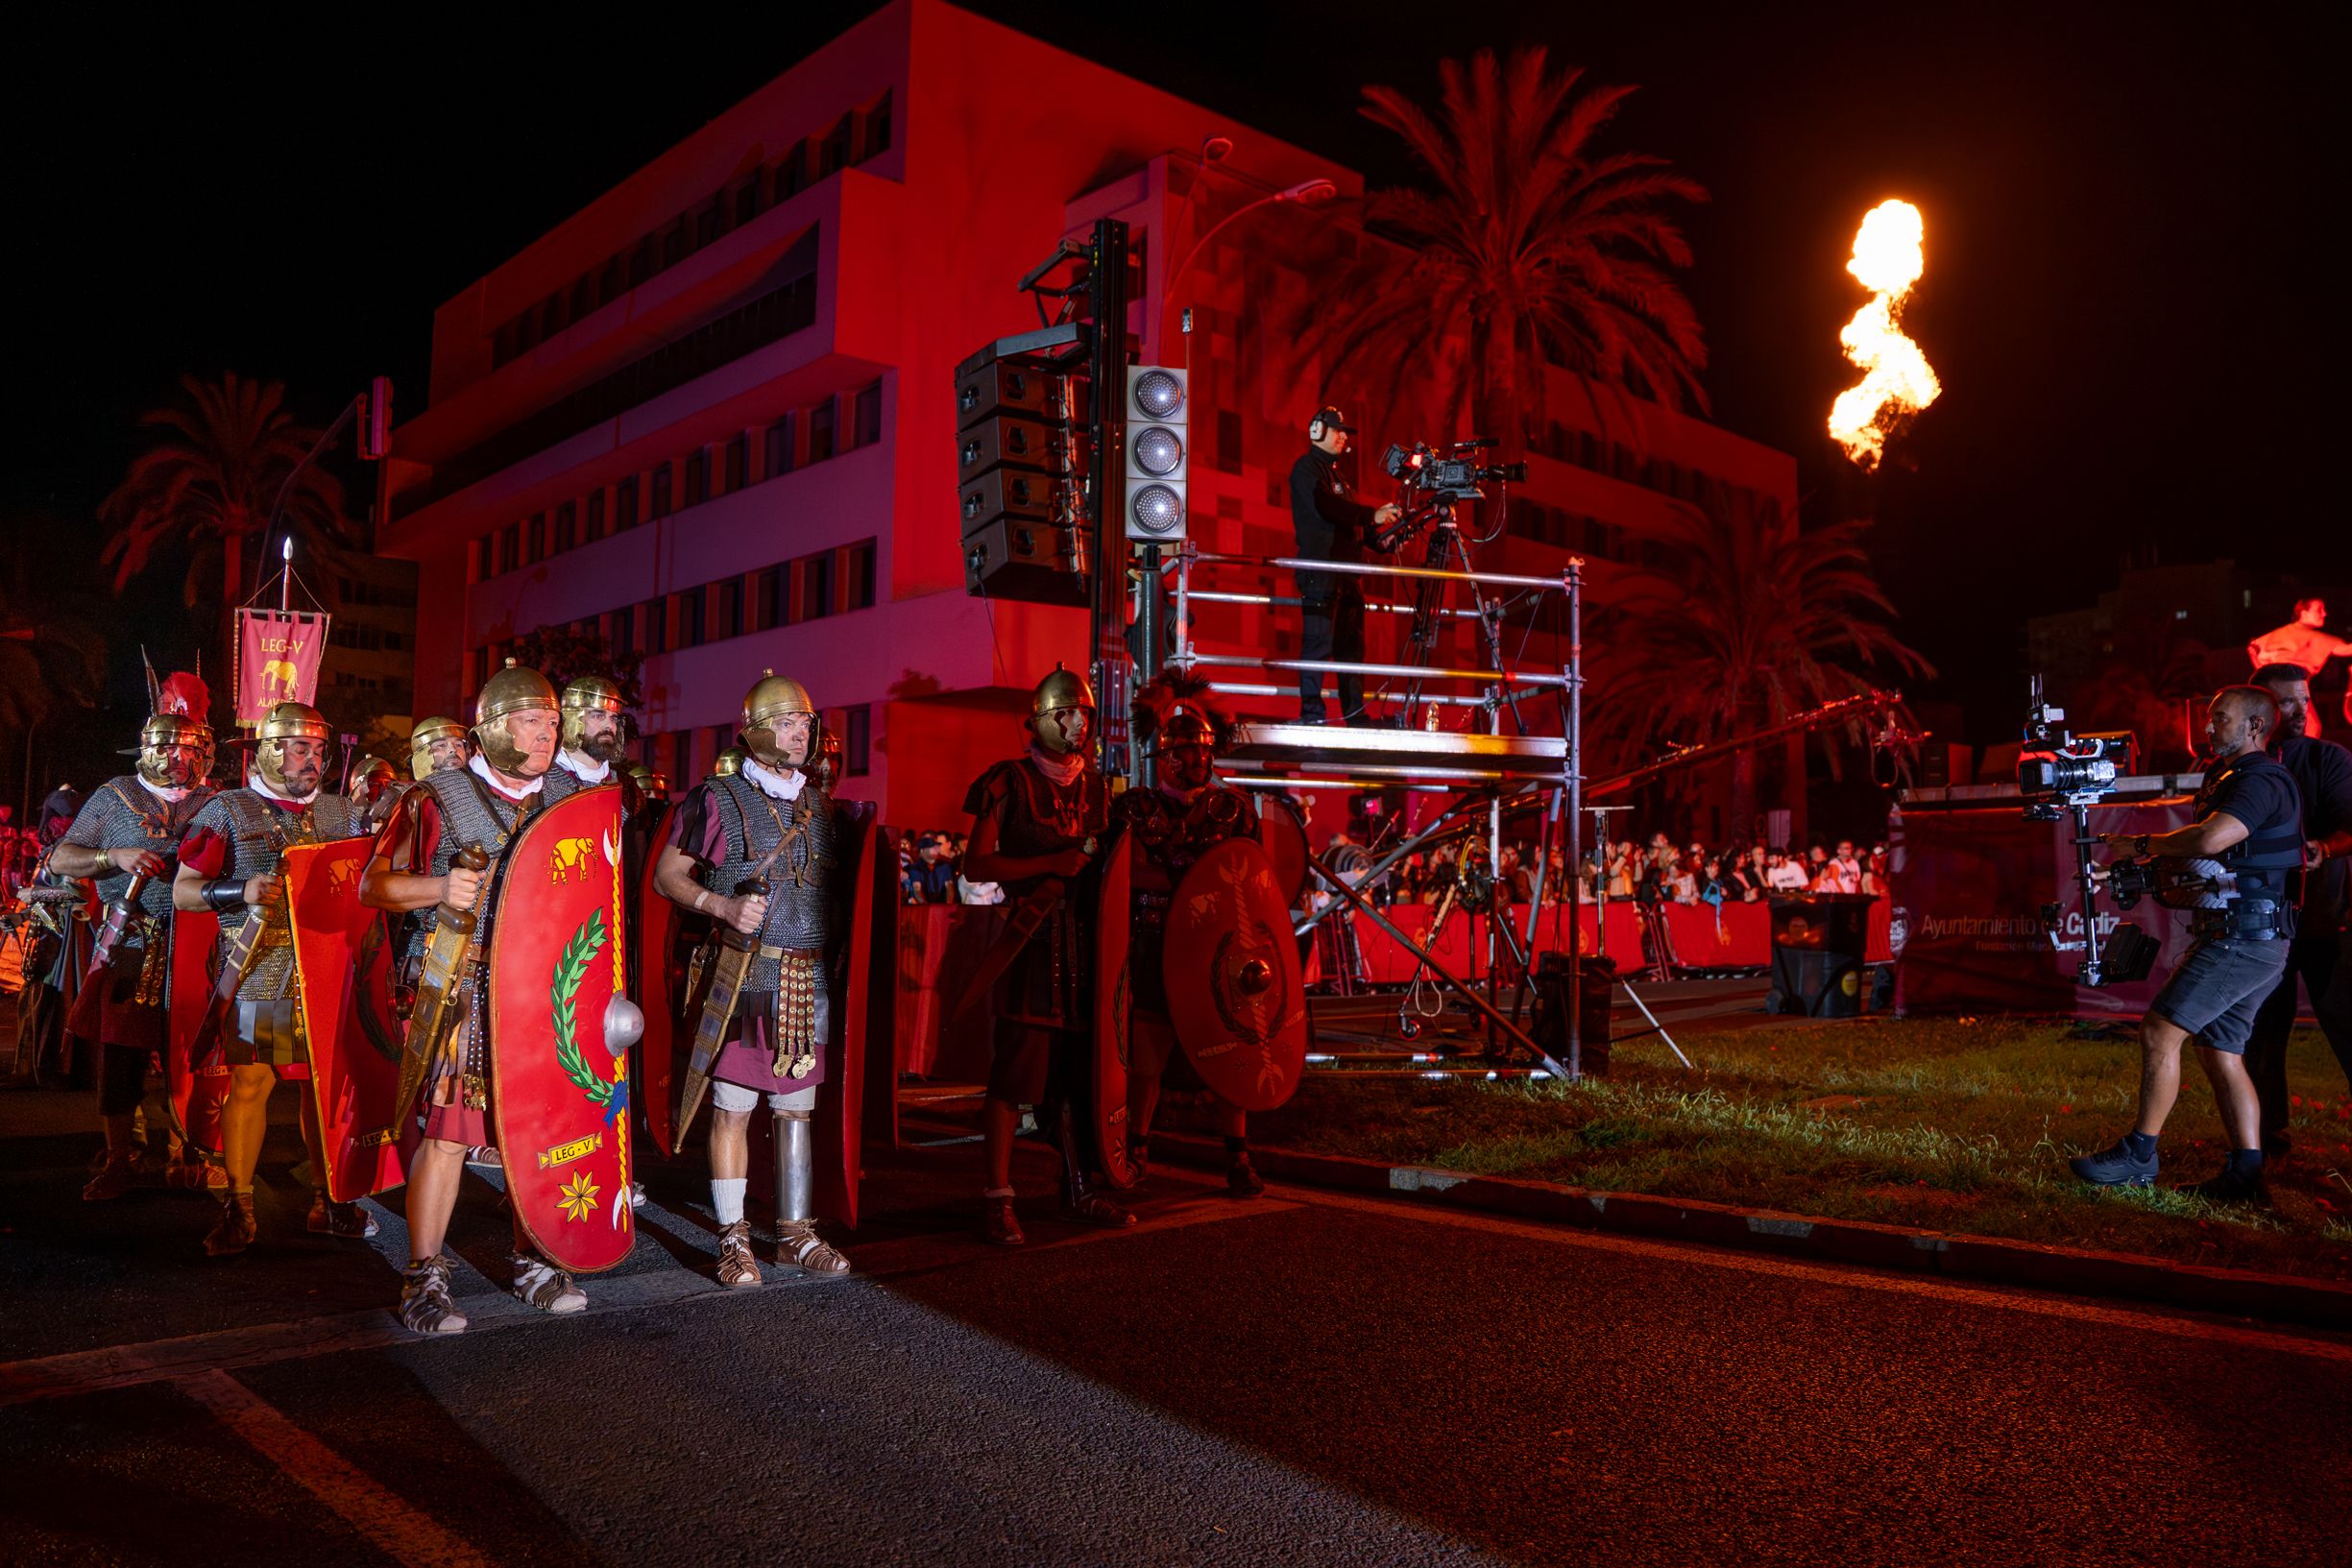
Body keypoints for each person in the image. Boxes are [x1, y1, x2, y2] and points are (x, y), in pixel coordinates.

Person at [361, 662, 588, 1331]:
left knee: (537, 1131)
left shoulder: (573, 794)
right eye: (530, 719)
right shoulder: (433, 798)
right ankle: (424, 1275)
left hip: (547, 989)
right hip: (463, 984)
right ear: (492, 725)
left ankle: (534, 1258)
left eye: (551, 721)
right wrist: (437, 889)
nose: (547, 732)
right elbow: (375, 885)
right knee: (450, 1134)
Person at [650, 670, 853, 1289]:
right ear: (759, 730)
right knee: (734, 1108)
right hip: (746, 972)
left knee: (797, 1109)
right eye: (790, 723)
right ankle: (733, 1238)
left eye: (806, 723)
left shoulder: (819, 805)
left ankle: (795, 1234)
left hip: (806, 977)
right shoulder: (718, 798)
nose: (803, 734)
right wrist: (721, 906)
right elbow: (667, 876)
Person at [2073, 686, 2305, 1200]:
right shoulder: (2231, 777)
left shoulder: (2261, 779)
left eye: (2219, 718)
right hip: (2252, 936)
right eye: (2209, 718)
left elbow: (2210, 840)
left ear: (2254, 727)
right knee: (2221, 1050)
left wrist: (2139, 843)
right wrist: (2123, 870)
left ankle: (2138, 1156)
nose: (2208, 727)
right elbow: (2213, 865)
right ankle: (2246, 1176)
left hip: (2242, 940)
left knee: (2159, 1031)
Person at [172, 701, 374, 1254]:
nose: (312, 759)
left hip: (328, 969)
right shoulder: (229, 810)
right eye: (299, 747)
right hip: (263, 969)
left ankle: (327, 1199)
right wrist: (240, 890)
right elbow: (183, 892)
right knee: (254, 1083)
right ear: (268, 748)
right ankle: (240, 1208)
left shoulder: (343, 815)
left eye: (318, 749)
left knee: (322, 1086)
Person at [959, 663, 1128, 1244]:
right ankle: (997, 1197)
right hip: (1029, 945)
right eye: (1065, 713)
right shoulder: (1006, 781)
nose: (1077, 723)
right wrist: (1047, 865)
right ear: (1040, 720)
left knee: (1078, 1078)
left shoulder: (1100, 788)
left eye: (1082, 713)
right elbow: (976, 865)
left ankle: (1078, 1185)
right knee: (1015, 1078)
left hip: (1087, 949)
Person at [46, 676, 215, 1200]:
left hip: (195, 946)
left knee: (195, 1056)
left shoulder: (218, 801)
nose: (175, 758)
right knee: (120, 1061)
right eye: (165, 747)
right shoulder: (114, 796)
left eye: (187, 748)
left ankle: (192, 1152)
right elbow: (59, 858)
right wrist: (110, 858)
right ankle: (120, 1157)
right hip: (130, 944)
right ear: (146, 749)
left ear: (203, 752)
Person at [1109, 671, 1265, 1197]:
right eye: (1186, 753)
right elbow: (1127, 873)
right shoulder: (1136, 808)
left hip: (1218, 948)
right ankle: (1137, 1147)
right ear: (1166, 757)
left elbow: (1251, 877)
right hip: (1154, 945)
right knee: (1148, 1057)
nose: (1198, 761)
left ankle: (1238, 1157)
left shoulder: (1235, 810)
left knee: (1229, 1046)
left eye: (1202, 752)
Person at [2241, 664, 2352, 1155]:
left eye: (2304, 700)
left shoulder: (2330, 759)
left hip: (2326, 922)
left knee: (2348, 1024)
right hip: (2263, 926)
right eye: (2287, 702)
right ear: (2261, 710)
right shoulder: (2238, 766)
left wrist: (2324, 848)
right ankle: (2266, 1137)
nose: (2301, 710)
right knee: (2262, 1034)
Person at [1288, 405, 1401, 727]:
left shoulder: (1340, 478)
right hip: (1321, 571)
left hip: (1347, 575)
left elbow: (1356, 525)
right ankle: (1312, 715)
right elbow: (1329, 508)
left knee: (1351, 648)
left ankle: (1355, 715)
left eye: (1344, 433)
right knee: (1318, 643)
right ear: (1318, 431)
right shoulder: (1306, 470)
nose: (1343, 437)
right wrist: (1371, 516)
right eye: (1338, 431)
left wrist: (1384, 540)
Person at [2247, 598, 2350, 736]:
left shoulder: (2282, 634)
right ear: (2304, 613)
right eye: (2319, 610)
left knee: (2293, 728)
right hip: (2288, 690)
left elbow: (2253, 649)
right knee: (2311, 727)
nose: (2324, 614)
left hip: (2270, 691)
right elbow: (2346, 649)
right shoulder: (2306, 635)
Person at [546, 675, 632, 803]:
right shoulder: (542, 783)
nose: (609, 725)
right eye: (598, 716)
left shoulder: (628, 789)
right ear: (572, 719)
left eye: (613, 718)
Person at [904, 831, 958, 904]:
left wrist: (948, 905)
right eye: (932, 847)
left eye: (937, 846)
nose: (937, 849)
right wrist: (927, 907)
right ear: (922, 850)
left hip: (942, 906)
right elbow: (917, 890)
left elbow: (950, 887)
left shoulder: (944, 866)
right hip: (925, 909)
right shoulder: (916, 867)